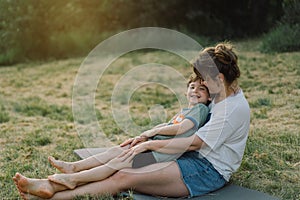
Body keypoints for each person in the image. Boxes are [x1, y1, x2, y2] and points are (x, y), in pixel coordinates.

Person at [13, 43, 250, 200]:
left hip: (206, 170)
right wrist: (147, 137)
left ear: (219, 78)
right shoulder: (219, 95)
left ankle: (54, 195)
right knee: (125, 155)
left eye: (204, 79)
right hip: (185, 155)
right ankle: (49, 184)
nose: (201, 84)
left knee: (122, 176)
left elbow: (193, 143)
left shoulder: (232, 109)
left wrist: (149, 143)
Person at [39, 74, 211, 190]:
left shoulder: (201, 109)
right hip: (152, 148)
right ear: (186, 91)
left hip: (159, 155)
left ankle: (74, 179)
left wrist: (151, 133)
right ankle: (74, 167)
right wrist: (144, 136)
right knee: (115, 151)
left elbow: (180, 128)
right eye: (192, 87)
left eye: (201, 89)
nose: (195, 91)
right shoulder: (184, 111)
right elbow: (169, 126)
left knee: (115, 163)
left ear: (209, 97)